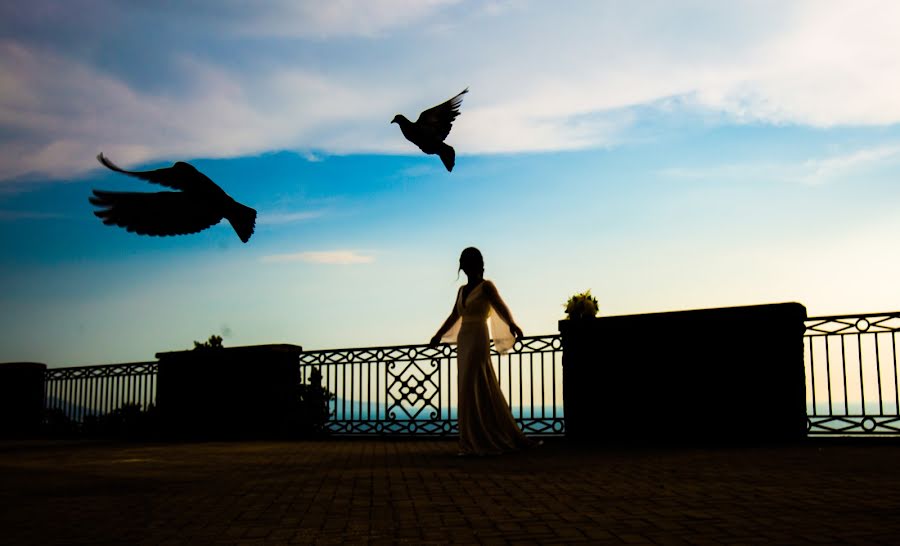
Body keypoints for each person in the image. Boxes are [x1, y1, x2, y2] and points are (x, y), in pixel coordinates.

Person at [430, 247, 538, 455]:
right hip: (464, 339)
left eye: (469, 262)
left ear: (477, 264)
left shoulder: (487, 286)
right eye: (464, 263)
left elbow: (500, 306)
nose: (466, 267)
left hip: (479, 336)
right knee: (466, 387)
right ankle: (470, 439)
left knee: (474, 381)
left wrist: (512, 325)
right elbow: (454, 315)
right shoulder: (461, 290)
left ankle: (480, 439)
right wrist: (438, 335)